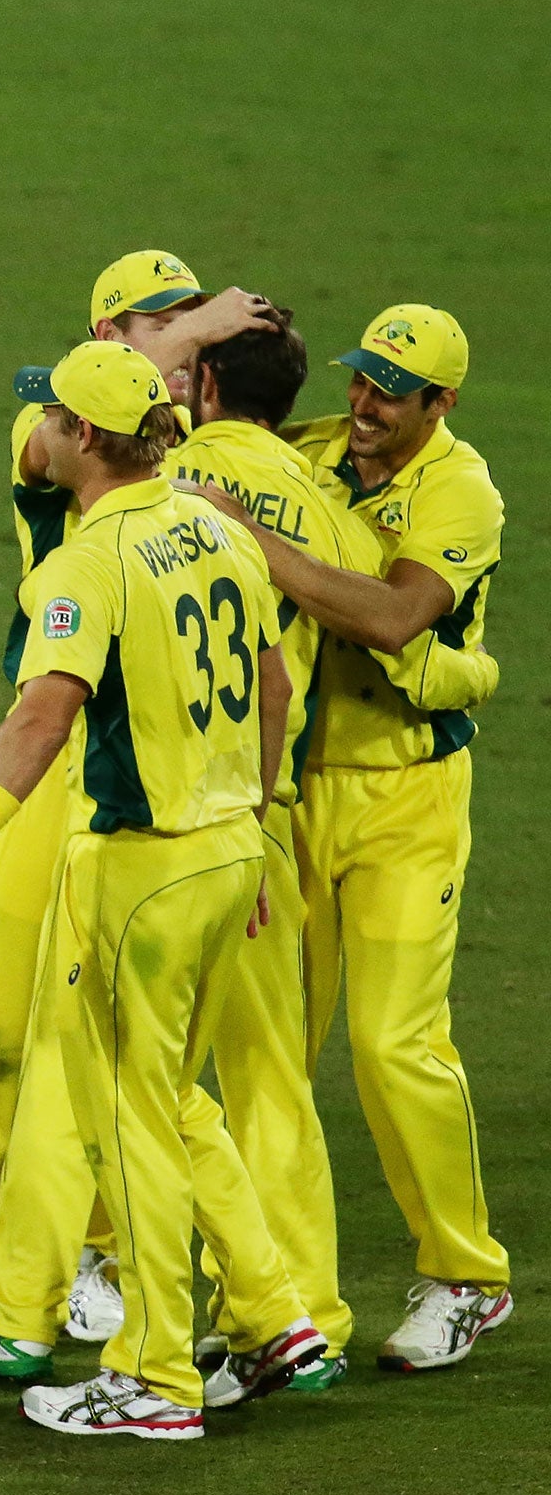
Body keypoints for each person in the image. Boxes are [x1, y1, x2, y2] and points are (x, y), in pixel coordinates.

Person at [0, 341, 321, 1439]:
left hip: (142, 869)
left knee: (127, 1119)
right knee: (172, 1097)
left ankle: (155, 1378)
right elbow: (272, 685)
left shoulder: (87, 561)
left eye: (50, 421)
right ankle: (275, 1317)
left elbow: (40, 718)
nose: (37, 434)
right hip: (231, 853)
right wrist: (251, 821)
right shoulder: (218, 526)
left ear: (80, 437)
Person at [195, 306, 511, 1372]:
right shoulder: (316, 447)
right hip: (295, 794)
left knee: (391, 1044)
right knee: (267, 1055)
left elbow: (388, 618)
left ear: (440, 404)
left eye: (390, 392)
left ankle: (463, 1277)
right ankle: (264, 1299)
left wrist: (251, 541)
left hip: (405, 800)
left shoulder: (458, 490)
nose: (365, 407)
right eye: (359, 381)